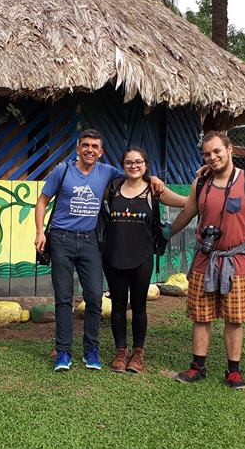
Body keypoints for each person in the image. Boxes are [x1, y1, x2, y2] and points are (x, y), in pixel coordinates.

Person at [34, 129, 163, 372]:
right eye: (86, 145)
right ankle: (63, 352)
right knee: (63, 298)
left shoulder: (107, 173)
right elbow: (42, 201)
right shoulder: (62, 171)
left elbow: (133, 173)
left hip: (90, 241)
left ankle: (91, 350)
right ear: (78, 149)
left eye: (95, 146)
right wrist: (40, 232)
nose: (90, 150)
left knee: (94, 297)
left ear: (101, 151)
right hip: (61, 238)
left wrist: (153, 178)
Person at [168, 131, 245, 389]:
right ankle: (197, 366)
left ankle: (233, 370)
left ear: (229, 149)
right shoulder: (201, 184)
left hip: (238, 261)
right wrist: (165, 234)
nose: (212, 157)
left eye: (217, 151)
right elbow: (187, 214)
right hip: (205, 257)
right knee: (201, 316)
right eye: (207, 154)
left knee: (234, 318)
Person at [100, 147, 186, 374]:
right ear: (123, 165)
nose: (134, 166)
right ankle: (120, 351)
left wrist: (203, 190)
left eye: (139, 162)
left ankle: (138, 353)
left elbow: (186, 202)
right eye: (129, 162)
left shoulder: (154, 190)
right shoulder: (112, 188)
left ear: (146, 165)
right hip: (113, 255)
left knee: (139, 306)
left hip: (142, 257)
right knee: (118, 305)